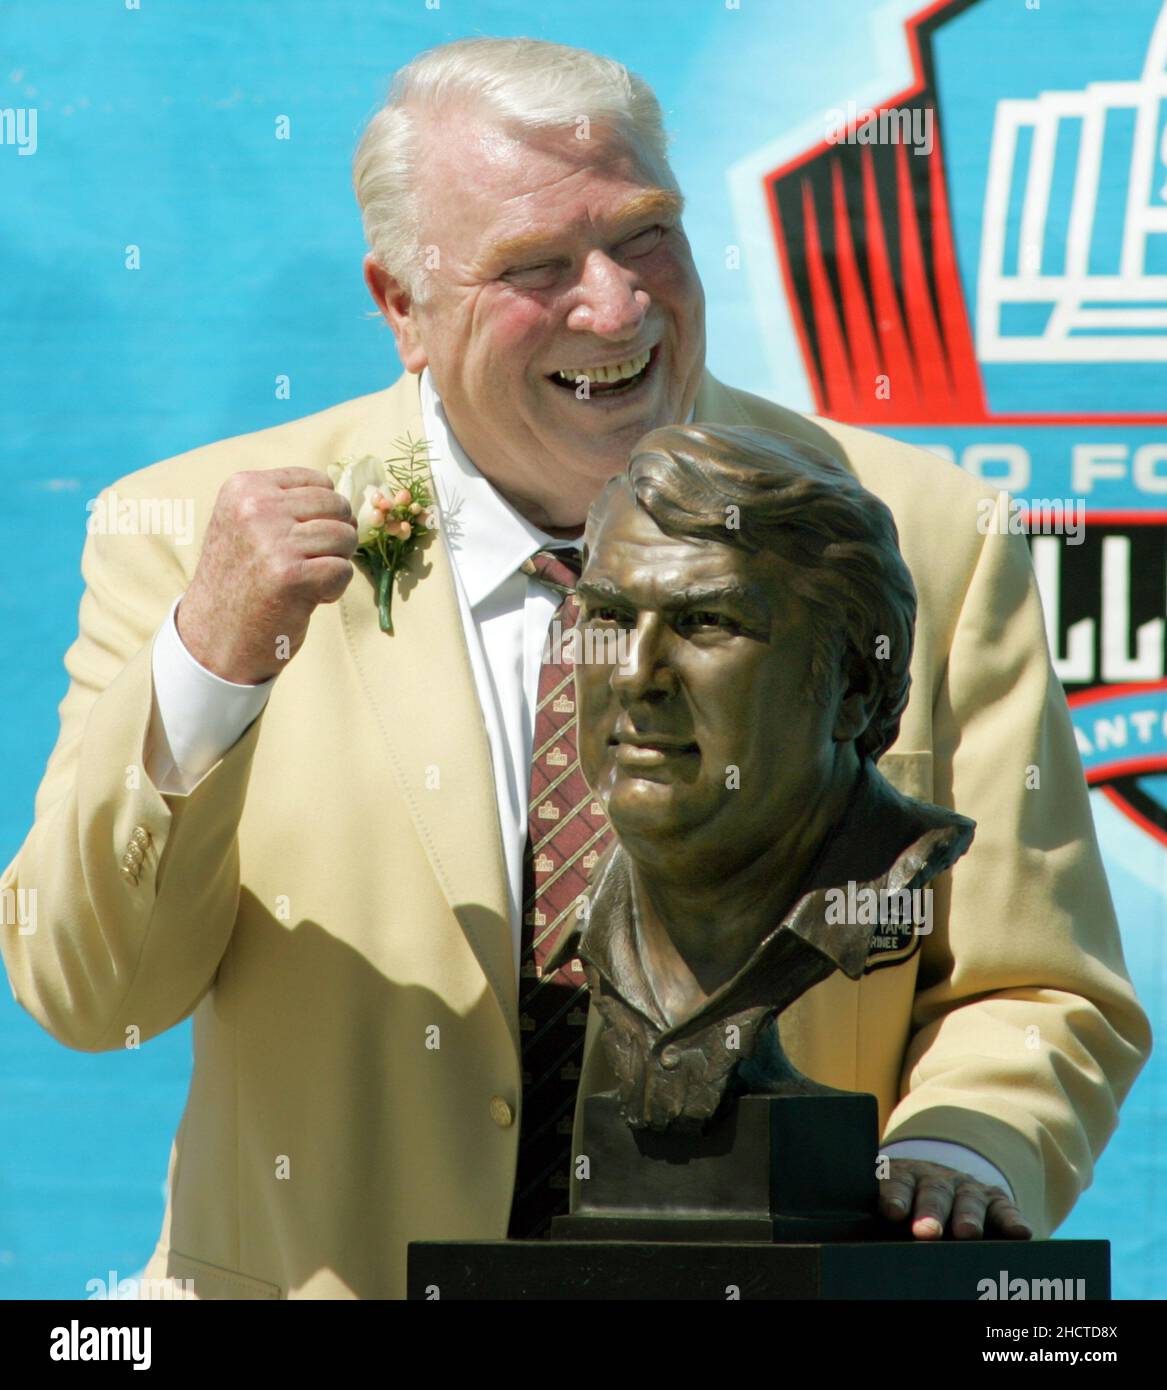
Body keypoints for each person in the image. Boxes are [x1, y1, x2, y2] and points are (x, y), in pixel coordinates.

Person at [0, 36, 1150, 1299]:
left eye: (645, 234)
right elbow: (91, 991)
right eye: (536, 267)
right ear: (403, 309)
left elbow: (1037, 983)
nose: (616, 305)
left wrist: (956, 1149)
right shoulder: (194, 539)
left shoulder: (913, 529)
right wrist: (213, 664)